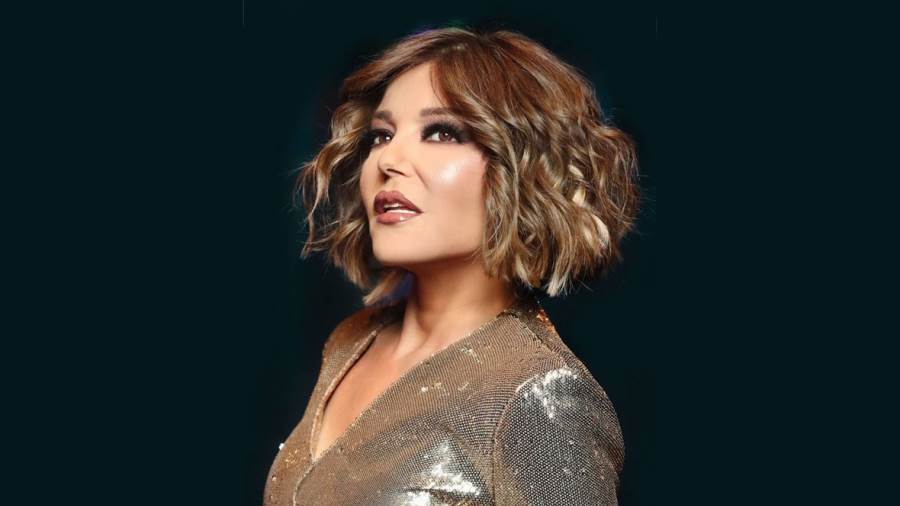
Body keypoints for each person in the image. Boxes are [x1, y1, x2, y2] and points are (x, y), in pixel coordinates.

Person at [265, 26, 641, 505]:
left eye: (441, 132)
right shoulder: (350, 343)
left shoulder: (540, 395)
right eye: (381, 135)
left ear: (523, 168)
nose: (389, 159)